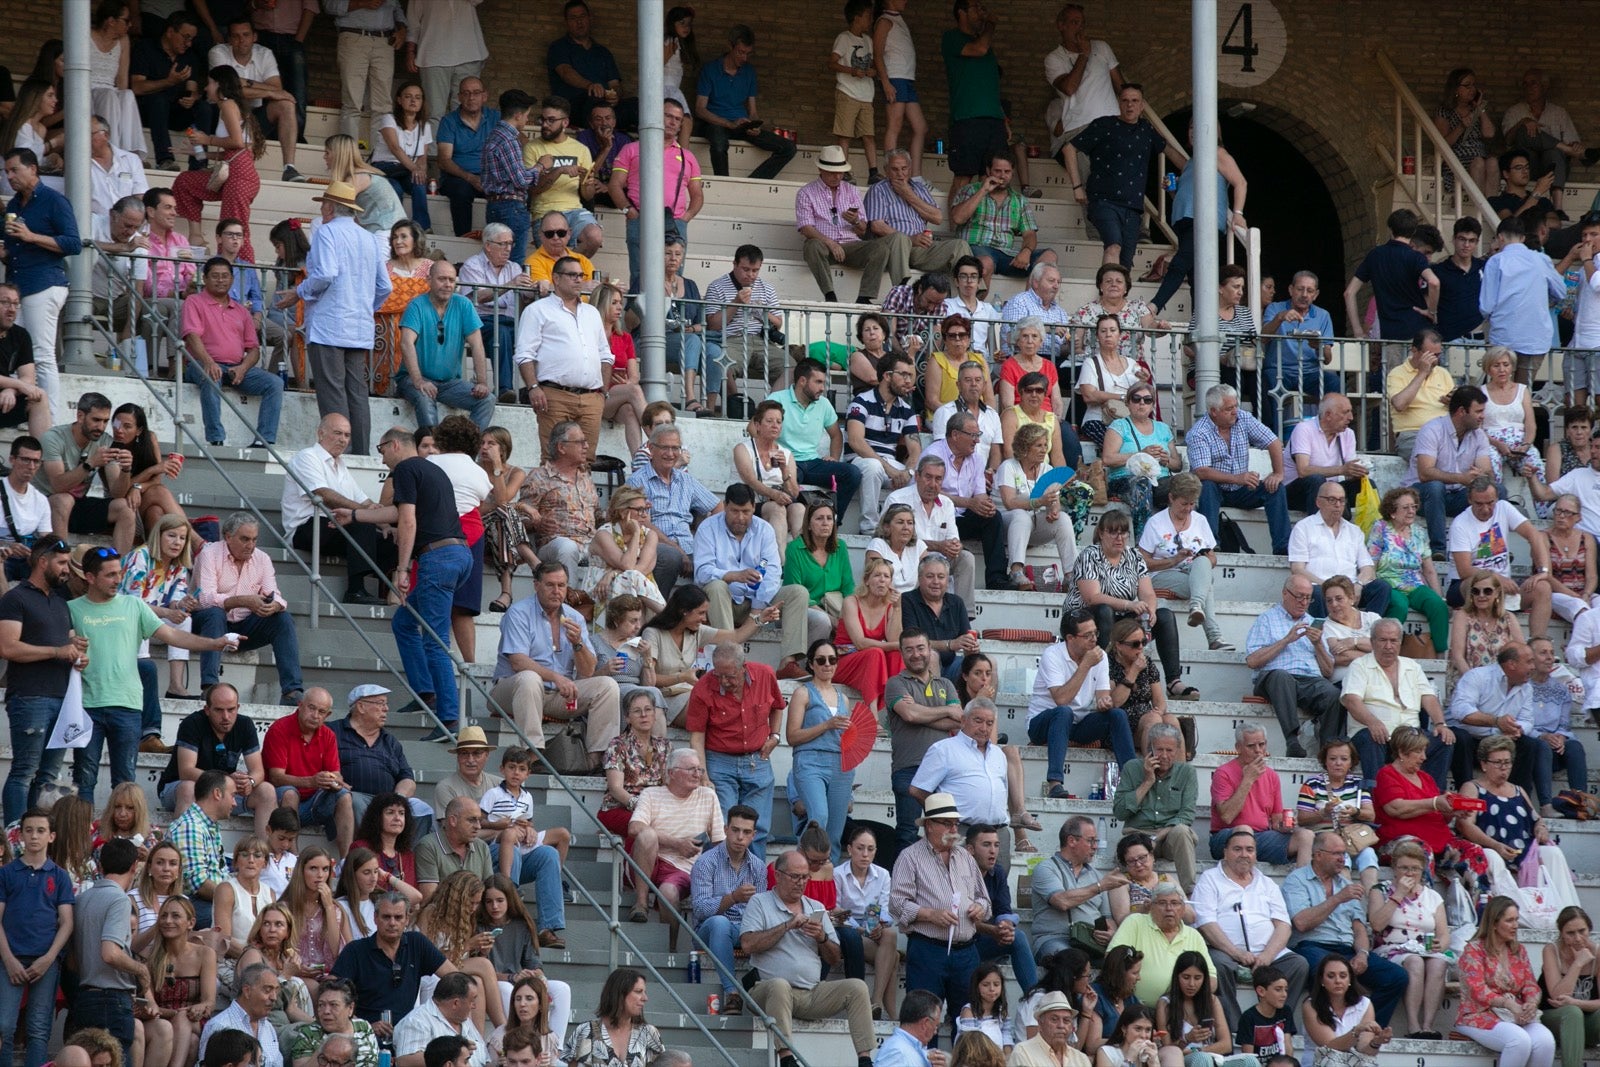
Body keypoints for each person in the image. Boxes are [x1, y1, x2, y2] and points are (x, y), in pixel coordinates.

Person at [742, 849, 878, 1067]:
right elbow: (748, 945)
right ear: (777, 875)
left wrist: (822, 938)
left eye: (805, 877)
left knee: (857, 987)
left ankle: (865, 1060)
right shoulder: (760, 902)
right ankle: (787, 1059)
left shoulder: (817, 907)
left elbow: (834, 959)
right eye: (794, 876)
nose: (801, 882)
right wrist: (787, 926)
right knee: (779, 985)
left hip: (811, 993)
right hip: (768, 992)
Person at [286, 182, 391, 456]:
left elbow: (325, 274)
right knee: (357, 395)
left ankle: (337, 455)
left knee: (332, 394)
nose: (322, 208)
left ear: (330, 207)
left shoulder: (327, 232)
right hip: (358, 327)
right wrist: (364, 306)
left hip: (329, 325)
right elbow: (385, 287)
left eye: (323, 204)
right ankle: (361, 455)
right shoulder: (369, 238)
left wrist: (298, 292)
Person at [1065, 507, 1187, 703]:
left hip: (1121, 617)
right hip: (1086, 618)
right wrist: (1129, 604)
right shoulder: (1089, 555)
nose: (1119, 538)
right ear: (1101, 534)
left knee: (1165, 616)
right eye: (1113, 532)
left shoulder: (1134, 556)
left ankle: (1174, 681)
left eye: (1123, 532)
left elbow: (1147, 592)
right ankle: (1103, 676)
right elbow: (1092, 597)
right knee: (1104, 611)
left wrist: (1150, 610)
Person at [1283, 832, 1407, 1026]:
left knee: (1396, 977)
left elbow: (1359, 929)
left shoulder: (1346, 884)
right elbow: (1301, 922)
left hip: (1346, 950)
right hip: (1311, 946)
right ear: (1318, 855)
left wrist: (1363, 954)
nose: (1343, 859)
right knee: (1324, 970)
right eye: (1337, 854)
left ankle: (1364, 1029)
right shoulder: (1297, 880)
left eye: (1344, 854)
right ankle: (1331, 1029)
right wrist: (1338, 898)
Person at [1192, 828, 1309, 1033]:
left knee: (1298, 964)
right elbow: (1206, 923)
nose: (1244, 854)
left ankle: (1277, 1023)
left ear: (1255, 854)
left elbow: (1283, 924)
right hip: (1226, 951)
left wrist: (1266, 956)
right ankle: (1237, 1029)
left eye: (1249, 850)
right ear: (1225, 852)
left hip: (1266, 953)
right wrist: (1237, 953)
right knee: (1217, 965)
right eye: (1237, 849)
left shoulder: (1267, 883)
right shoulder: (1209, 879)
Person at [890, 792, 990, 1030]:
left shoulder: (965, 856)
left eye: (955, 823)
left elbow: (984, 899)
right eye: (946, 823)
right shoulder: (909, 857)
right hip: (928, 950)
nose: (953, 828)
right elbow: (896, 903)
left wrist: (979, 908)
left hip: (966, 952)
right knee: (922, 1022)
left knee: (968, 1023)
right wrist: (929, 914)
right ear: (929, 825)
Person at [0, 540, 76, 825]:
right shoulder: (15, 598)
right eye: (62, 562)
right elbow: (7, 647)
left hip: (61, 697)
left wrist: (76, 650)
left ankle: (36, 837)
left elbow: (66, 641)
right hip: (30, 696)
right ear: (42, 561)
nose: (66, 569)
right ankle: (14, 836)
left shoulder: (60, 601)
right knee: (24, 770)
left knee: (46, 776)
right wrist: (57, 651)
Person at [65, 839, 159, 1066]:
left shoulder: (83, 898)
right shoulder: (119, 899)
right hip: (111, 1000)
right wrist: (141, 970)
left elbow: (73, 962)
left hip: (85, 996)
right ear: (134, 866)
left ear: (100, 865)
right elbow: (110, 953)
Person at [190, 512, 301, 704]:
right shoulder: (209, 553)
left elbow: (276, 595)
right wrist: (243, 600)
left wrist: (274, 606)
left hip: (244, 627)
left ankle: (292, 691)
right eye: (245, 539)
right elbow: (206, 599)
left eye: (254, 540)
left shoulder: (262, 558)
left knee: (283, 619)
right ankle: (209, 687)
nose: (250, 545)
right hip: (207, 625)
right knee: (215, 613)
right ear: (228, 536)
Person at [1458, 736, 1579, 911]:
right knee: (1492, 857)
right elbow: (1466, 825)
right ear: (1484, 764)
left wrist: (1540, 828)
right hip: (1490, 846)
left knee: (1552, 852)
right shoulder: (1472, 788)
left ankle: (1567, 912)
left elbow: (1536, 818)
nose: (1504, 768)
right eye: (1498, 762)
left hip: (1522, 849)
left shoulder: (1517, 789)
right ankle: (1515, 912)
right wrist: (1496, 845)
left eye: (1507, 763)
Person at [2, 148, 81, 414]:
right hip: (19, 286)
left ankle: (53, 418)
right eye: (6, 171)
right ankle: (28, 415)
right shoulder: (14, 205)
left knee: (42, 354)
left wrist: (31, 236)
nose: (9, 176)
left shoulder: (54, 200)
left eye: (15, 170)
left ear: (33, 169)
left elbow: (73, 243)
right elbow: (15, 250)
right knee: (18, 353)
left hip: (44, 282)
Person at [1064, 83, 1173, 268]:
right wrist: (1077, 186)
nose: (1130, 105)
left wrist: (1198, 171)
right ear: (1118, 103)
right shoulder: (1104, 124)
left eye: (1134, 101)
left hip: (1132, 207)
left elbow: (1170, 152)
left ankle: (1116, 296)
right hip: (1103, 201)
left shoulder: (1146, 129)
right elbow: (1069, 148)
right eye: (1125, 100)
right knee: (1113, 245)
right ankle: (1106, 294)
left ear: (1142, 106)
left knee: (1126, 262)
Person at [180, 256, 282, 448]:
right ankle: (216, 439)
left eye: (225, 276)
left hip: (236, 368)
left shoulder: (241, 311)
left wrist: (243, 367)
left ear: (232, 279)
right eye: (215, 276)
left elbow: (253, 349)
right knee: (211, 374)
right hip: (202, 364)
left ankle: (264, 440)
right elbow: (192, 337)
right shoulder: (194, 302)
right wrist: (209, 362)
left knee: (274, 383)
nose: (220, 280)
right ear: (205, 278)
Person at [0, 805, 74, 1067]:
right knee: (4, 1026)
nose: (34, 836)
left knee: (39, 1029)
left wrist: (49, 958)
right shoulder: (6, 874)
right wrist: (8, 959)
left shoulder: (60, 876)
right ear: (20, 835)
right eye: (29, 830)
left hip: (46, 961)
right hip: (10, 959)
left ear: (51, 836)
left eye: (41, 831)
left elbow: (67, 923)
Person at [1246, 574, 1346, 757]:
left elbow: (1328, 671)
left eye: (1308, 598)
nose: (1304, 602)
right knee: (1282, 677)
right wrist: (1286, 640)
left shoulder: (1313, 622)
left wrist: (1317, 644)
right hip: (1274, 679)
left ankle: (1328, 749)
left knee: (1333, 694)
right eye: (1299, 596)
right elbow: (1252, 661)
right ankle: (1292, 741)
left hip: (1309, 680)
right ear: (1285, 593)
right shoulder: (1267, 619)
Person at [796, 145, 910, 304]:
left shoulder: (852, 190)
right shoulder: (806, 192)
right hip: (824, 245)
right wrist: (830, 243)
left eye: (840, 172)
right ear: (820, 170)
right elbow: (806, 227)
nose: (837, 176)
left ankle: (864, 297)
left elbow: (863, 229)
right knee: (812, 246)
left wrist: (855, 220)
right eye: (832, 172)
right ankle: (829, 294)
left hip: (852, 244)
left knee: (881, 248)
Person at [330, 891, 458, 1033]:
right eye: (386, 917)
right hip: (367, 1035)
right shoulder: (355, 950)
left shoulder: (417, 943)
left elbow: (456, 979)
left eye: (398, 917)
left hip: (409, 1032)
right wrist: (363, 1025)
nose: (392, 923)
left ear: (407, 919)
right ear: (375, 918)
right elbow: (330, 992)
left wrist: (435, 1013)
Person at [1188, 384, 1291, 556]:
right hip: (1215, 491)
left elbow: (1273, 442)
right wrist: (1238, 478)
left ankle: (1283, 547)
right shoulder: (1199, 432)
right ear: (1214, 412)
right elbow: (1201, 471)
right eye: (1229, 408)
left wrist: (1278, 473)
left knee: (1275, 488)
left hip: (1241, 489)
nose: (1235, 411)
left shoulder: (1243, 418)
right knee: (1206, 486)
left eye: (1236, 406)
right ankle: (1210, 545)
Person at [1457, 896, 1558, 1067]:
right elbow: (1477, 990)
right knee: (1519, 1041)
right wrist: (1508, 1004)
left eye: (1517, 919)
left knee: (1546, 1042)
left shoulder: (1518, 950)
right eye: (1510, 920)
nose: (1516, 925)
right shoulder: (1474, 950)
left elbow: (1530, 985)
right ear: (1494, 924)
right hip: (1478, 1014)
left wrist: (1531, 1004)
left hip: (1514, 1013)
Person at [1027, 609, 1116, 798]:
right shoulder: (1052, 654)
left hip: (1078, 723)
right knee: (1063, 712)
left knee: (1117, 716)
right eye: (1087, 635)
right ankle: (1055, 783)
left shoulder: (1100, 657)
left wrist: (1105, 701)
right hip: (1043, 724)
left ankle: (1130, 778)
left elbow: (1102, 695)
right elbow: (1061, 699)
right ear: (1070, 638)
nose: (1094, 639)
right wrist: (1085, 665)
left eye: (1095, 633)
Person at [688, 805, 764, 1015]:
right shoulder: (705, 862)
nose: (740, 837)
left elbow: (762, 910)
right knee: (719, 923)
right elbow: (701, 910)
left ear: (753, 835)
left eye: (746, 832)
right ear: (726, 829)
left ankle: (764, 988)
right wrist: (733, 898)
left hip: (745, 929)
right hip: (709, 929)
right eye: (735, 830)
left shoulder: (758, 867)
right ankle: (732, 993)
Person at [694, 24, 795, 180]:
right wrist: (728, 124)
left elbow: (753, 111)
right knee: (719, 141)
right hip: (716, 123)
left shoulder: (749, 71)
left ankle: (753, 182)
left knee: (789, 147)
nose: (744, 58)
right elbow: (700, 109)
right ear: (730, 46)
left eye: (748, 53)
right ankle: (724, 184)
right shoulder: (710, 69)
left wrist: (754, 125)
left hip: (742, 124)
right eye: (741, 52)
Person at [262, 689, 356, 855]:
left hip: (313, 803)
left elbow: (336, 773)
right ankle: (293, 857)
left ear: (328, 715)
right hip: (281, 803)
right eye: (311, 708)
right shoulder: (280, 729)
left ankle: (346, 861)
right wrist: (312, 781)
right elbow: (276, 777)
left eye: (321, 712)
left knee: (344, 795)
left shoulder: (328, 735)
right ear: (300, 705)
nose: (315, 715)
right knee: (290, 793)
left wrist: (334, 781)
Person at [1209, 724, 1313, 864]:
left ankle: (1300, 885)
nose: (1258, 751)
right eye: (1251, 746)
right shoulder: (1223, 773)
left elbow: (1276, 820)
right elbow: (1227, 816)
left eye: (1261, 745)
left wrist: (1284, 825)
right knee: (1245, 831)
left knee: (1306, 836)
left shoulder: (1272, 776)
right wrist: (1248, 779)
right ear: (1238, 748)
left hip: (1262, 836)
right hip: (1226, 838)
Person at [1113, 722, 1199, 890]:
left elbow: (1187, 814)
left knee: (1182, 831)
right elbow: (1120, 812)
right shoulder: (1132, 768)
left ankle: (1189, 893)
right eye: (1159, 749)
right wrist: (1148, 781)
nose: (1164, 755)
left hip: (1169, 838)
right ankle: (1128, 894)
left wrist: (1156, 838)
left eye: (1170, 750)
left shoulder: (1187, 773)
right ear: (1150, 748)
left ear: (1177, 751)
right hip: (1137, 835)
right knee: (1125, 849)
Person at [1481, 217, 1567, 384]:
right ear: (1523, 238)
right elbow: (1561, 292)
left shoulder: (1496, 261)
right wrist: (1548, 300)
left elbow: (1486, 305)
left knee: (1500, 389)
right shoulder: (1541, 259)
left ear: (1500, 237)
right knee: (1523, 392)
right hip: (1535, 337)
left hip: (1504, 336)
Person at [1029, 815, 1122, 964]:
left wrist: (1111, 932)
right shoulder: (1045, 868)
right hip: (1055, 939)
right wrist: (1099, 887)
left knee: (1123, 962)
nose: (1095, 846)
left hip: (1090, 942)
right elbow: (1061, 901)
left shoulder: (1097, 875)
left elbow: (1107, 917)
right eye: (1091, 840)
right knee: (1071, 960)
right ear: (1072, 841)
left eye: (1095, 841)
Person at [1343, 210, 1440, 348]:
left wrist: (1358, 331)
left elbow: (1349, 293)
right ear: (1413, 232)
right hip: (1420, 332)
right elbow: (1434, 282)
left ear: (1390, 229)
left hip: (1391, 335)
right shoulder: (1415, 257)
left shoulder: (1375, 255)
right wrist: (1432, 311)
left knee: (1396, 370)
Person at [562, 968, 664, 1067]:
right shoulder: (586, 1031)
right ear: (619, 994)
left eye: (644, 992)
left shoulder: (649, 1033)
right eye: (638, 991)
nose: (645, 998)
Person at [1539, 906, 1600, 1067]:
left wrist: (1576, 1003)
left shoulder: (1598, 953)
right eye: (1570, 933)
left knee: (1575, 1010)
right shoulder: (1551, 951)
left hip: (1588, 1025)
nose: (1578, 938)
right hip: (1555, 1020)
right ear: (1561, 933)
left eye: (1582, 931)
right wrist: (1578, 964)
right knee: (1572, 1013)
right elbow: (1558, 996)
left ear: (1590, 929)